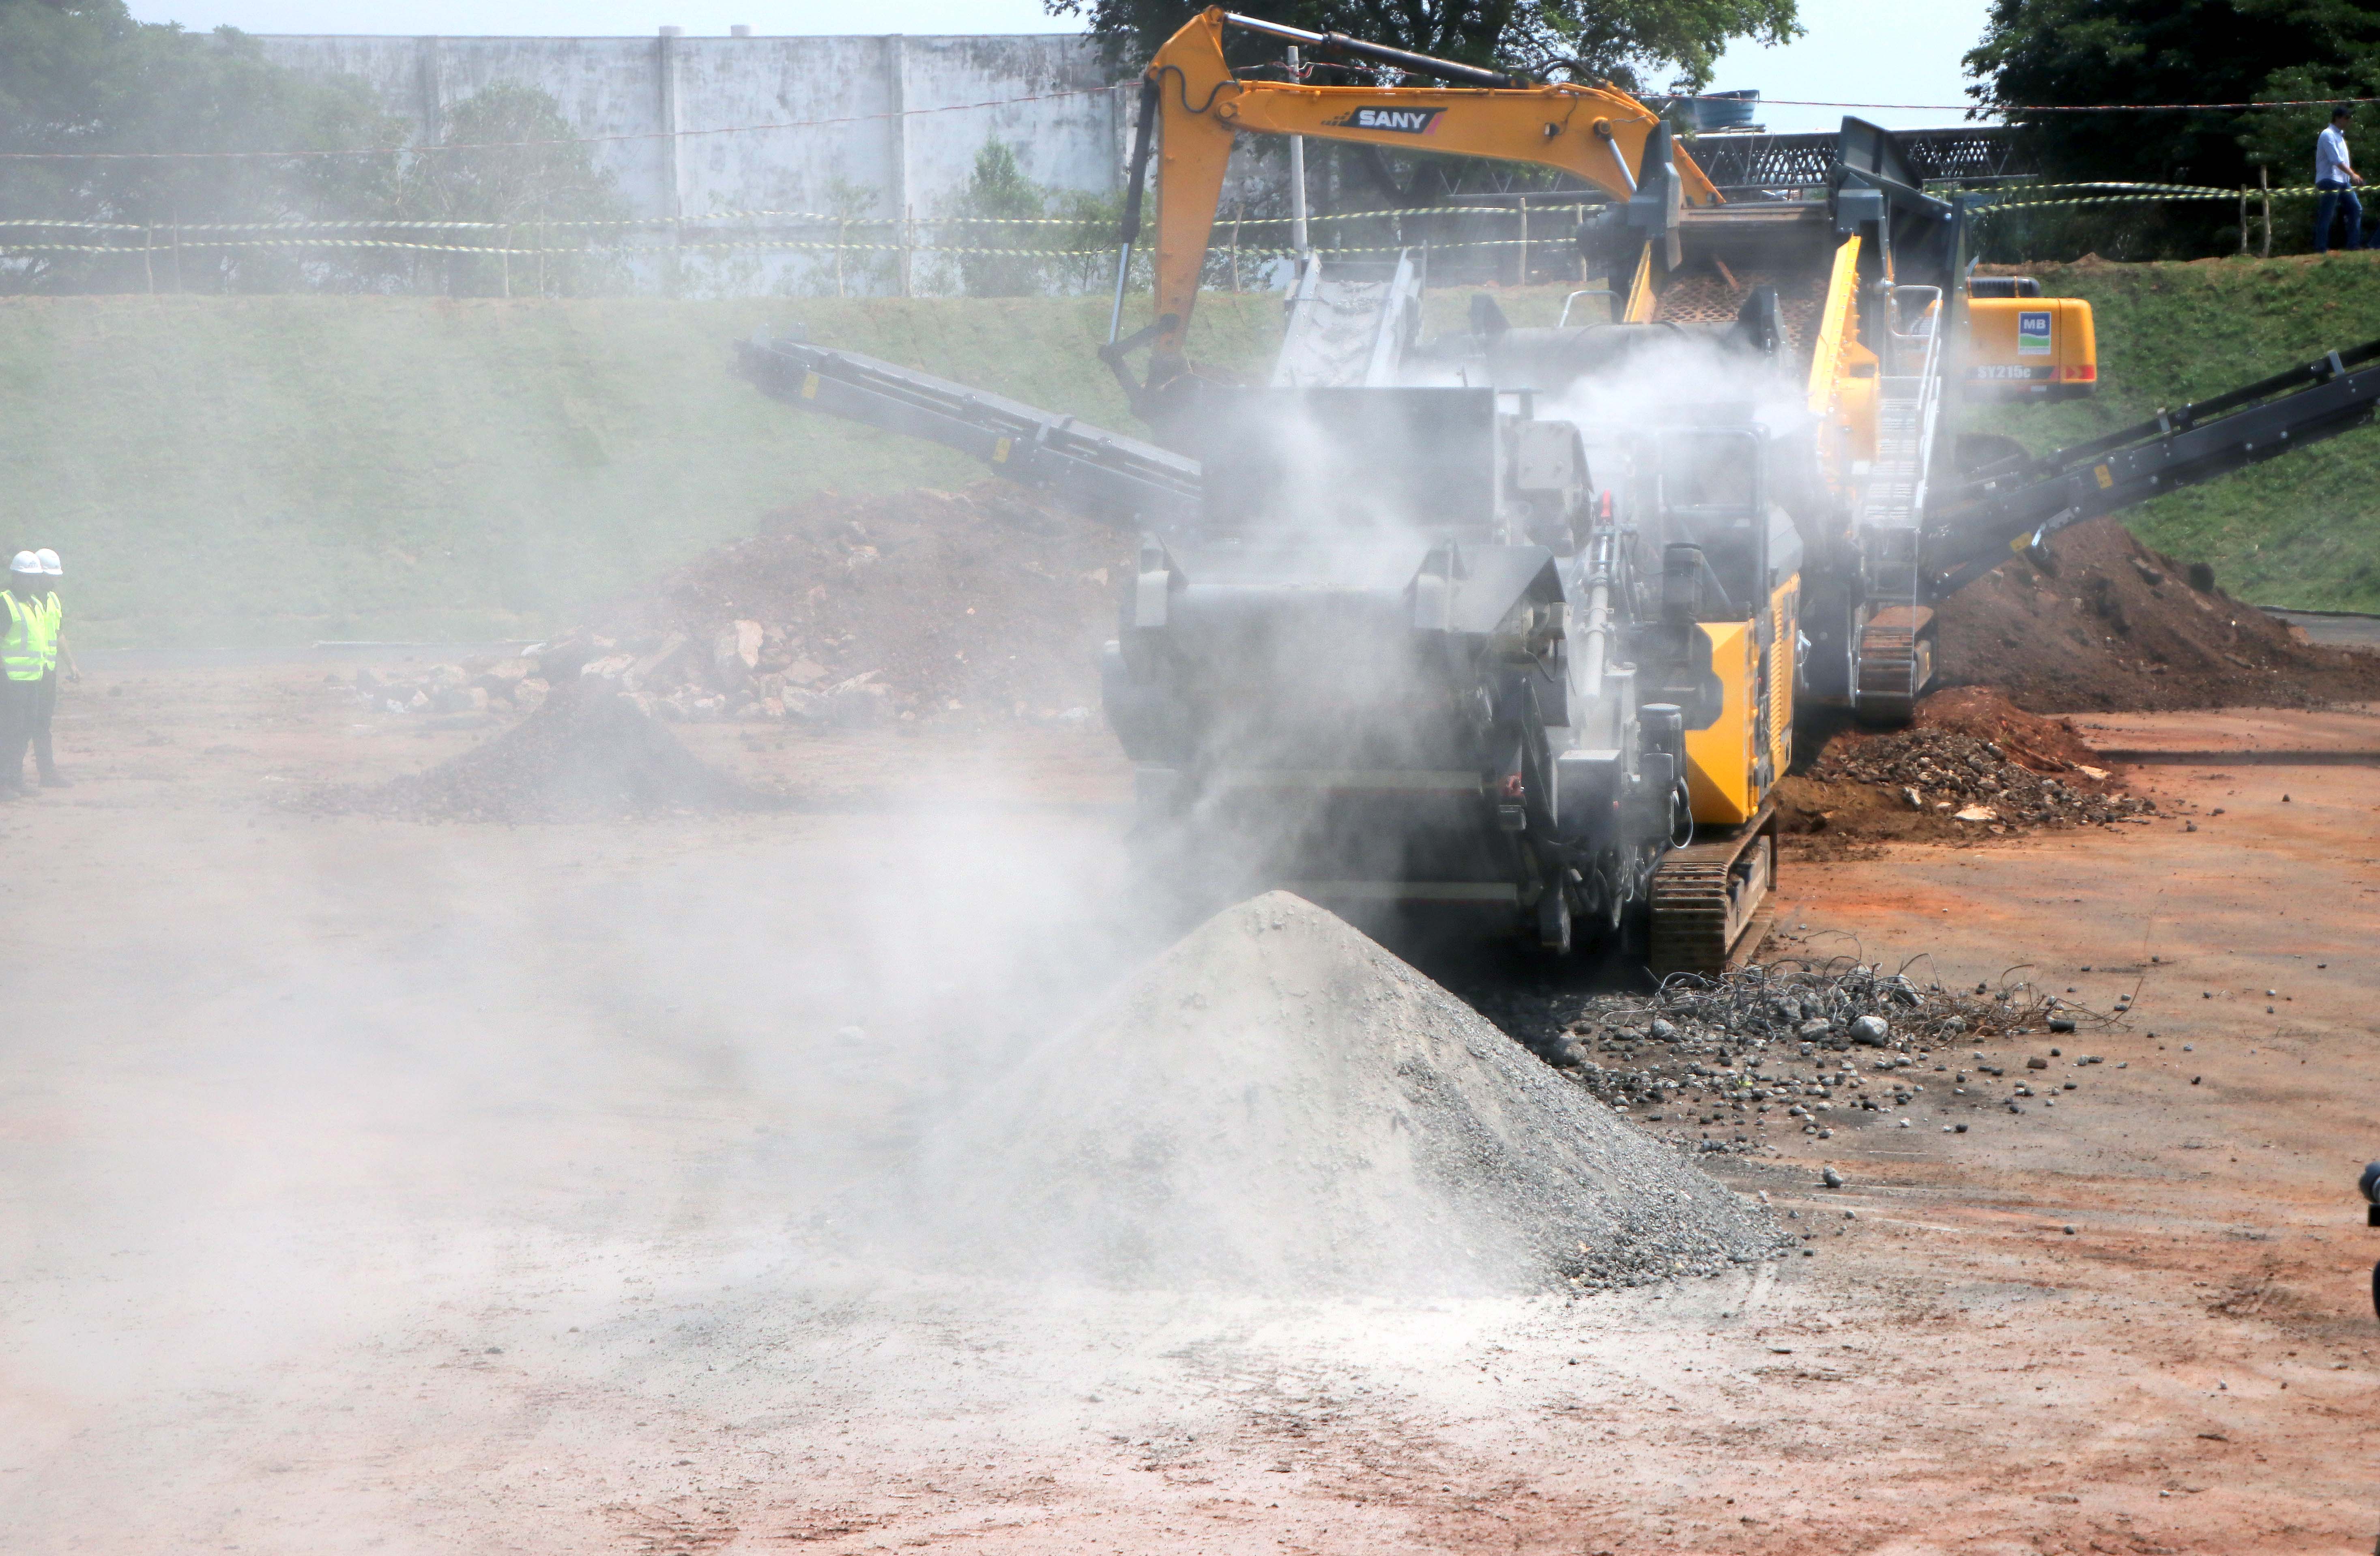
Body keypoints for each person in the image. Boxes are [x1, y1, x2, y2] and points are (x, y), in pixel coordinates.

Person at [0, 553, 47, 797]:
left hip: (32, 681)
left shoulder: (36, 604)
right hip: (11, 681)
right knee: (9, 731)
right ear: (15, 577)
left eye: (35, 579)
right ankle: (3, 783)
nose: (32, 584)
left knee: (25, 730)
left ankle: (15, 779)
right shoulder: (5, 603)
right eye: (27, 578)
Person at [27, 548, 73, 787]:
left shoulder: (53, 600)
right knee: (20, 726)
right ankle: (10, 777)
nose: (53, 580)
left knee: (43, 725)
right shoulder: (23, 600)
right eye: (49, 575)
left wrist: (71, 665)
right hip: (22, 676)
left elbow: (59, 634)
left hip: (47, 672)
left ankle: (47, 773)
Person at [2316, 106, 2367, 253]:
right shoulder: (2328, 135)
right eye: (2347, 118)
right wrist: (2353, 175)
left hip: (2343, 181)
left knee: (2355, 208)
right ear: (2338, 118)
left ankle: (2353, 245)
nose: (2349, 121)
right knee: (2327, 215)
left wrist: (2349, 177)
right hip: (2329, 179)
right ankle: (2321, 248)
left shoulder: (2340, 136)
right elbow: (2336, 160)